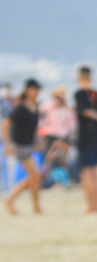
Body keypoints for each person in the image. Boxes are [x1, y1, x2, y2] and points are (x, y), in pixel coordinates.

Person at [3, 79, 43, 215]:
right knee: (35, 176)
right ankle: (11, 199)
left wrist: (37, 140)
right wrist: (8, 144)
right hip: (20, 145)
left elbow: (34, 127)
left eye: (37, 90)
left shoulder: (35, 106)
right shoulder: (21, 108)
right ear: (27, 90)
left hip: (29, 145)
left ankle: (36, 206)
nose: (35, 92)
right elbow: (5, 124)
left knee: (34, 177)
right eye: (33, 89)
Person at [75, 66, 97, 213]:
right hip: (96, 136)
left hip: (85, 137)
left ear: (79, 78)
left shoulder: (79, 94)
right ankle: (96, 204)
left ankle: (91, 206)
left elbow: (83, 111)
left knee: (86, 172)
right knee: (94, 171)